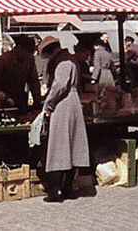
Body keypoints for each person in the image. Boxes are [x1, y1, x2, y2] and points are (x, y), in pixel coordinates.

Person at [38, 36, 90, 202]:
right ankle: (67, 187)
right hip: (72, 102)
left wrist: (48, 104)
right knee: (70, 145)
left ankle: (58, 189)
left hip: (64, 103)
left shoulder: (63, 61)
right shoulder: (69, 58)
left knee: (60, 146)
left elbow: (60, 85)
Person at [0, 35, 41, 110]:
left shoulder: (30, 59)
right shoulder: (3, 60)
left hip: (20, 99)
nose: (27, 55)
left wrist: (37, 102)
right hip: (2, 101)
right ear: (18, 48)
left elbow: (34, 82)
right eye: (26, 52)